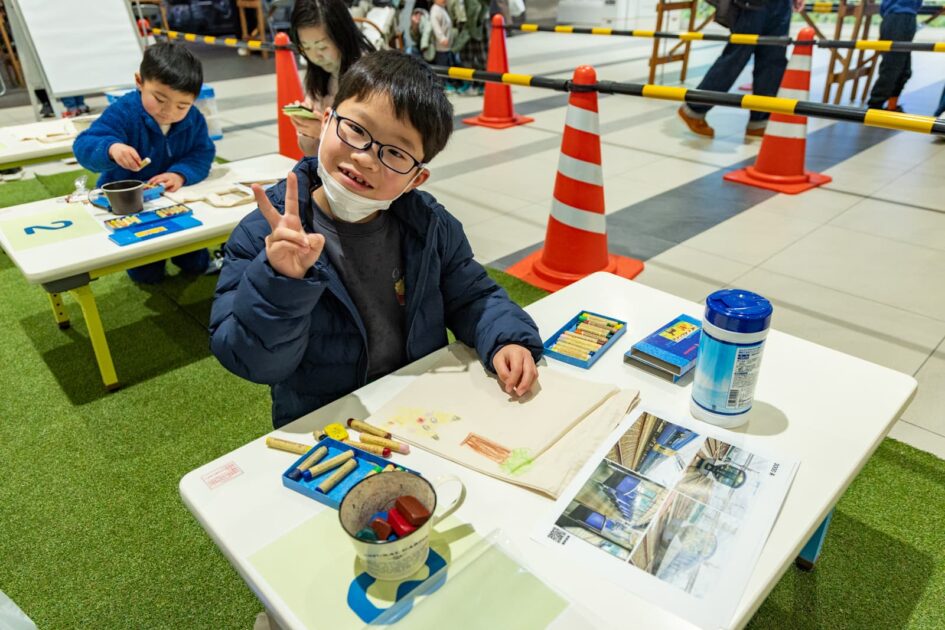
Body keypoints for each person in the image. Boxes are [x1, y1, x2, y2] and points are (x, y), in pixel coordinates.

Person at [209, 50, 542, 428]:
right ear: (326, 121)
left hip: (420, 409)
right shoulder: (265, 236)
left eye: (395, 152)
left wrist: (506, 338)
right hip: (326, 424)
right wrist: (281, 281)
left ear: (415, 179)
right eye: (356, 130)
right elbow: (254, 362)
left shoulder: (430, 227)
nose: (366, 158)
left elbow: (473, 297)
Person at [73, 42, 218, 284]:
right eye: (159, 99)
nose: (168, 111)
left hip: (175, 199)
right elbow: (84, 144)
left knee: (192, 252)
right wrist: (112, 148)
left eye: (182, 105)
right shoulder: (124, 112)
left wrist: (180, 174)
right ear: (139, 82)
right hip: (128, 204)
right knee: (145, 270)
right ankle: (150, 274)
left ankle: (195, 264)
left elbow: (202, 153)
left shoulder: (194, 119)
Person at [678, 0, 804, 138]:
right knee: (736, 57)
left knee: (773, 60)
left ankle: (759, 121)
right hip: (751, 5)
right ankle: (694, 109)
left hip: (781, 4)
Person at [287, 0, 375, 157]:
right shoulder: (319, 74)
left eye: (322, 47)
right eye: (306, 47)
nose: (315, 56)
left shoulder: (369, 76)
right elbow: (311, 153)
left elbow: (369, 149)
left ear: (342, 36)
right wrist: (306, 129)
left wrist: (323, 131)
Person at [866, 0, 921, 111]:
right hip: (897, 17)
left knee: (904, 71)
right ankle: (874, 107)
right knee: (892, 68)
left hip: (907, 16)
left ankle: (892, 106)